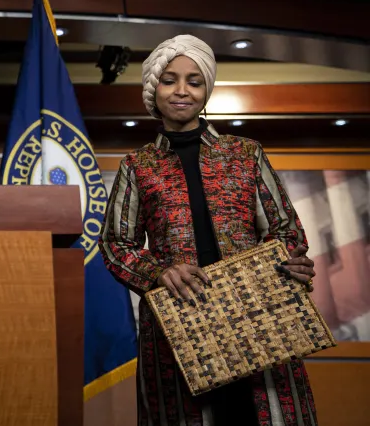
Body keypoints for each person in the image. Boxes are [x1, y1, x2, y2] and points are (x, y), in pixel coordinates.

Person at [99, 34, 319, 426]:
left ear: (206, 91)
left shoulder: (245, 153)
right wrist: (158, 272)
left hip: (258, 316)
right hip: (179, 325)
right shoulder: (138, 166)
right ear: (154, 88)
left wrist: (284, 265)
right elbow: (117, 244)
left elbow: (287, 230)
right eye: (169, 80)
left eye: (194, 81)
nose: (181, 90)